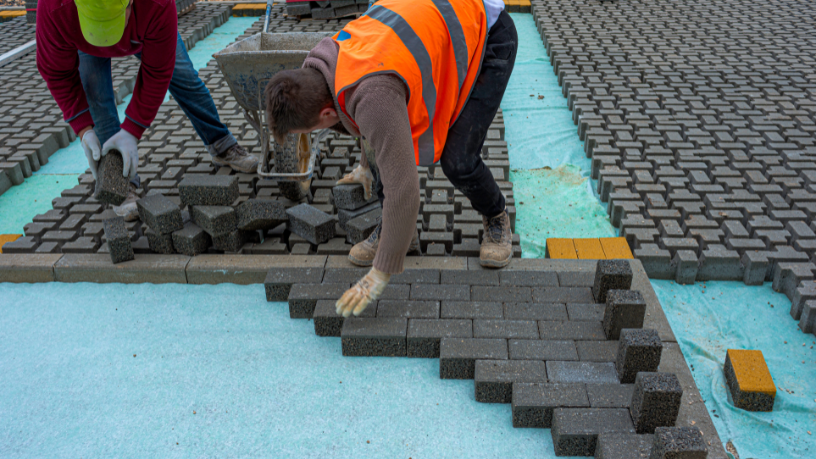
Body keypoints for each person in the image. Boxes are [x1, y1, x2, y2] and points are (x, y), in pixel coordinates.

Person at [264, 0, 517, 317]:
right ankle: (400, 234)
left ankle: (497, 217)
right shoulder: (316, 66)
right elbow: (359, 114)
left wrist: (379, 275)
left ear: (325, 114)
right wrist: (365, 165)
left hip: (487, 34)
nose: (313, 133)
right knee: (384, 146)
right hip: (425, 31)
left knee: (459, 160)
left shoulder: (374, 96)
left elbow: (405, 193)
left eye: (311, 129)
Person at [36, 0, 259, 220]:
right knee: (95, 93)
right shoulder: (55, 7)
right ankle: (118, 183)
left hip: (145, 25)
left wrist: (132, 130)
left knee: (184, 77)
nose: (106, 42)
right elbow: (56, 72)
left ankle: (221, 144)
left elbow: (157, 71)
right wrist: (84, 130)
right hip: (82, 37)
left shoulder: (157, 4)